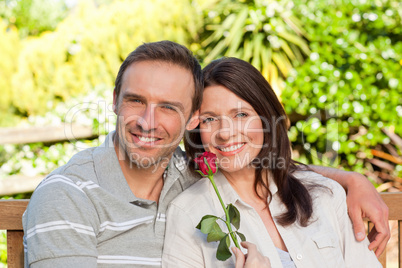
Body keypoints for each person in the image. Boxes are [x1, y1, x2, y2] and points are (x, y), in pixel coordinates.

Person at [22, 41, 387, 267]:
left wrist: (350, 179)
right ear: (115, 101)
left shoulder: (193, 173)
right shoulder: (68, 197)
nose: (149, 122)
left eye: (168, 107)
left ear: (189, 118)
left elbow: (265, 166)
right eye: (136, 101)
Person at [162, 57, 382, 267]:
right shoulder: (188, 215)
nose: (226, 133)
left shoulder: (325, 195)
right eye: (209, 119)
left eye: (240, 115)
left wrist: (354, 178)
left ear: (266, 118)